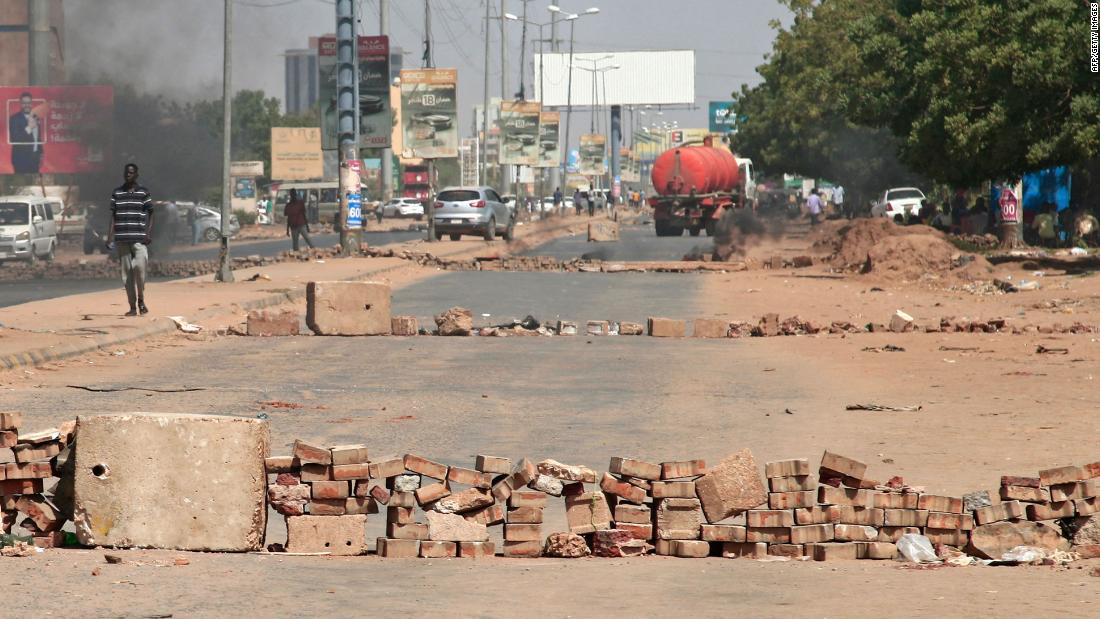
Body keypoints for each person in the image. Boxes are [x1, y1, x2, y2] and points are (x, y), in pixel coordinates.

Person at [106, 163, 153, 316]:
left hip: (139, 238)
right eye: (126, 172)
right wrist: (109, 236)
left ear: (136, 175)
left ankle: (141, 299)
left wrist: (148, 233)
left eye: (131, 173)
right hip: (122, 239)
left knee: (140, 269)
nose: (128, 175)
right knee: (126, 275)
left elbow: (151, 213)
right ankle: (133, 307)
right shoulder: (117, 193)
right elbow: (113, 216)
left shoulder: (143, 193)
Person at [8, 92, 43, 174]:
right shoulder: (14, 119)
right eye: (24, 103)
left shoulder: (36, 117)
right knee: (21, 185)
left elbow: (37, 137)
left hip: (35, 159)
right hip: (21, 160)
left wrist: (41, 154)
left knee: (34, 185)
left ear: (31, 103)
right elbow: (15, 139)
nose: (27, 105)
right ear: (20, 103)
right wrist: (29, 128)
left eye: (29, 103)